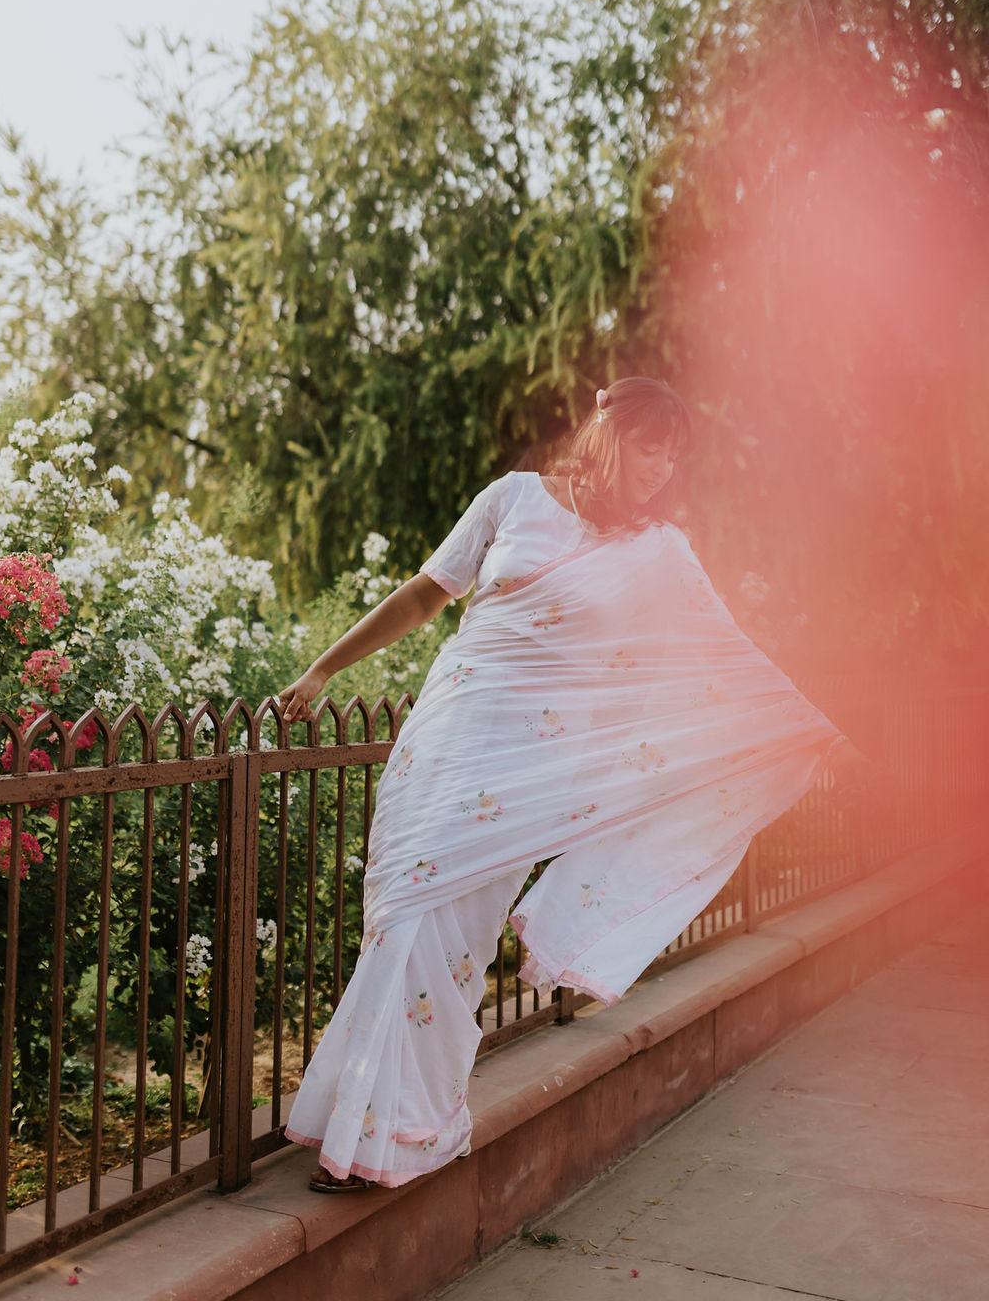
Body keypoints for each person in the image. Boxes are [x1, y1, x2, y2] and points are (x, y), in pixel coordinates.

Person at [278, 377, 866, 1192]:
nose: (663, 466)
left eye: (674, 455)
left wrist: (811, 730)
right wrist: (321, 669)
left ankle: (398, 1128)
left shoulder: (660, 550)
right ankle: (366, 1120)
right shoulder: (514, 499)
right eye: (652, 444)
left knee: (450, 943)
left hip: (526, 772)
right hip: (448, 735)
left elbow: (724, 654)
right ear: (609, 432)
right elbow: (424, 593)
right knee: (400, 919)